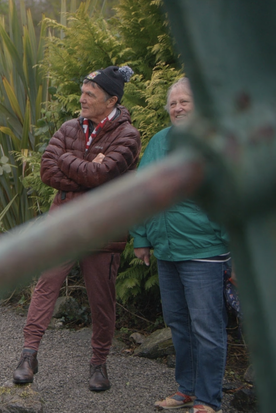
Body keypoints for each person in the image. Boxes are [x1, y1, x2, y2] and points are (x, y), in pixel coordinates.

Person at [12, 65, 141, 392]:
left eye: (90, 95)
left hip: (104, 228)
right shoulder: (70, 127)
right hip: (65, 224)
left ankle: (98, 363)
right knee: (46, 285)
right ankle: (28, 355)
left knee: (102, 299)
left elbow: (104, 174)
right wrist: (89, 168)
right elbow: (46, 171)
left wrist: (69, 161)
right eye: (82, 92)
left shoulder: (128, 136)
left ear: (111, 100)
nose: (81, 99)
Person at [131, 78, 230, 413]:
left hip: (205, 252)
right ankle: (186, 389)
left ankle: (208, 400)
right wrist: (142, 239)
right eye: (173, 104)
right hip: (167, 251)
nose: (178, 108)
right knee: (178, 323)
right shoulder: (159, 142)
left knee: (206, 328)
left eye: (185, 102)